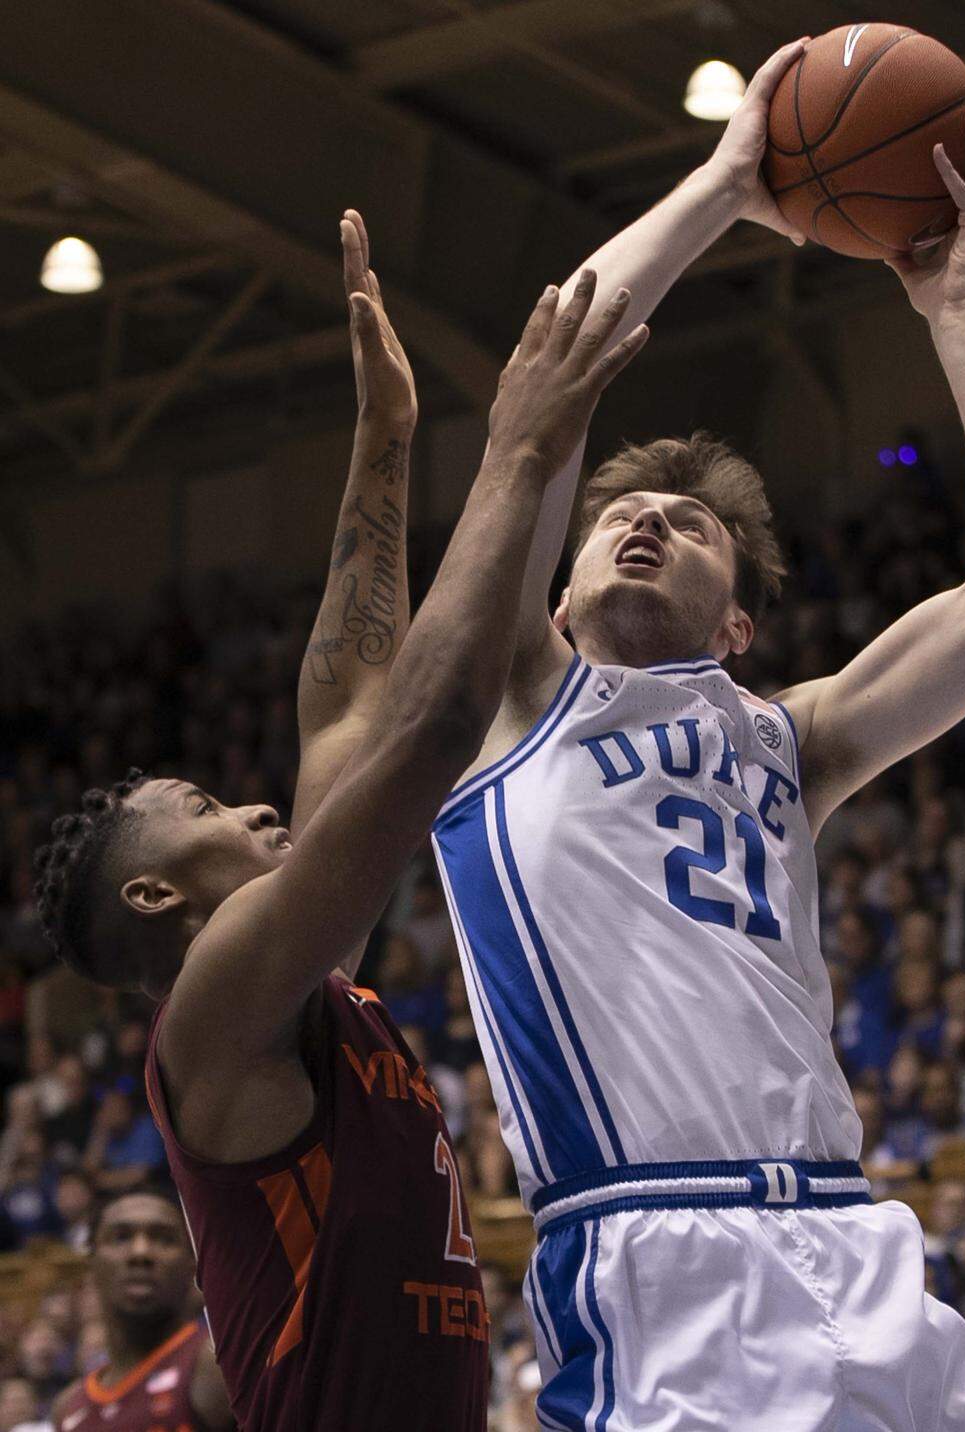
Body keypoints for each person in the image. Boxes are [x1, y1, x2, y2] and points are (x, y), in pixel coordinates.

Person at [432, 34, 965, 1431]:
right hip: (656, 1257)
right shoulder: (514, 699)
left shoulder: (799, 739)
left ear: (740, 627)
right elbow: (553, 380)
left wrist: (955, 311)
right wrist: (729, 183)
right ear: (556, 591)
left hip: (856, 1239)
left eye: (694, 522)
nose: (648, 519)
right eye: (619, 517)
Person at [32, 205, 647, 1431]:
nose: (257, 802)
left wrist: (387, 435)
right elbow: (423, 734)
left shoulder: (302, 1000)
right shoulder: (210, 1015)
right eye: (203, 807)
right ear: (157, 898)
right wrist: (516, 454)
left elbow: (352, 707)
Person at [51, 1189, 233, 1431]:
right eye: (121, 1237)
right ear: (91, 1262)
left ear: (192, 1264)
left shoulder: (220, 1370)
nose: (141, 1252)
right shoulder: (67, 1408)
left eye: (164, 1239)